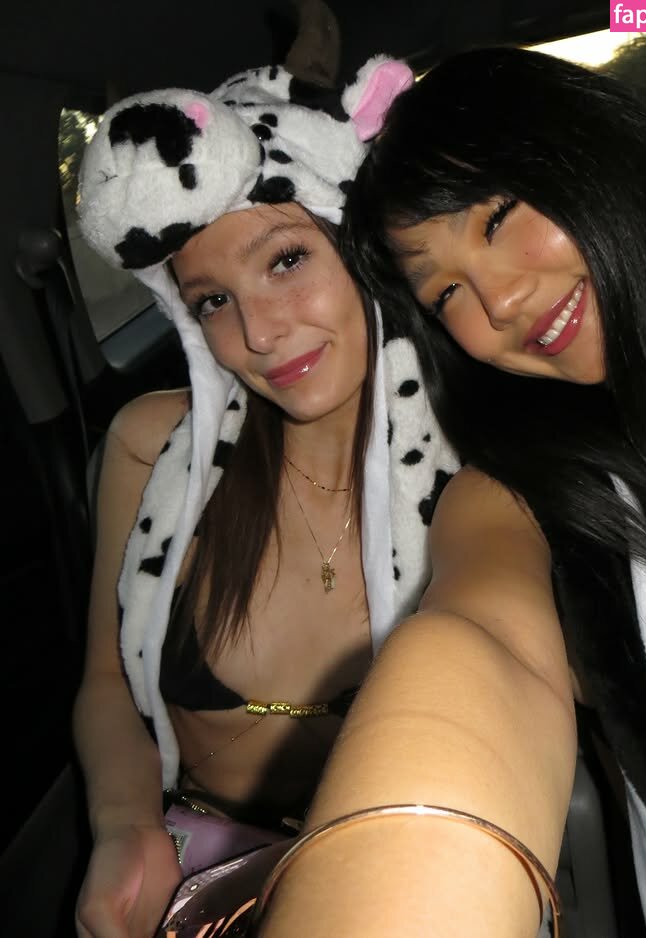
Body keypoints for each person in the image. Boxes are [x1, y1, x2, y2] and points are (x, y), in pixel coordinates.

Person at [73, 53, 575, 938]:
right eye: (212, 300)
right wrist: (125, 826)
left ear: (360, 243)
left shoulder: (486, 467)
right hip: (187, 880)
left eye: (287, 259)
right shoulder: (153, 450)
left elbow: (496, 646)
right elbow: (109, 681)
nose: (259, 332)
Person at [336, 44, 646, 938]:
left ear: (593, 148)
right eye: (446, 292)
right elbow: (478, 635)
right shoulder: (522, 494)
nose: (500, 303)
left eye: (496, 217)